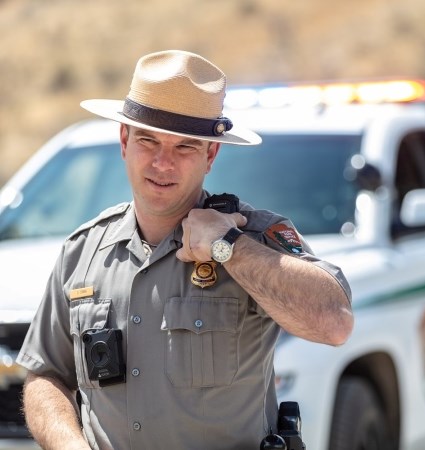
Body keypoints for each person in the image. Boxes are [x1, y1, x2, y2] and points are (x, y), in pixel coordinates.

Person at [17, 50, 353, 450]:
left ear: (211, 155)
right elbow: (45, 375)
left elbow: (335, 323)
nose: (162, 163)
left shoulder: (252, 238)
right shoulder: (83, 252)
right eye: (148, 140)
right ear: (124, 141)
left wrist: (228, 247)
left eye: (184, 147)